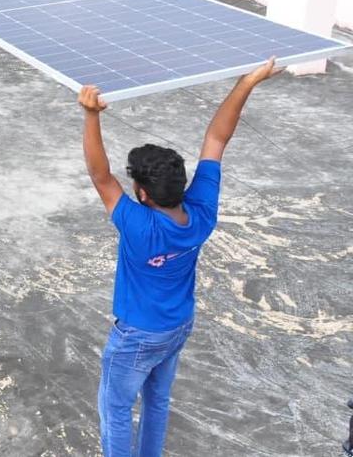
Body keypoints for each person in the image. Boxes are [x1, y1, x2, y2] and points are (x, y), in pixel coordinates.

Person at [78, 58, 280, 456]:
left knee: (116, 409)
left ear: (141, 194)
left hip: (136, 335)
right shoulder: (200, 212)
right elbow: (217, 140)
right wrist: (247, 83)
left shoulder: (140, 226)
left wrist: (90, 115)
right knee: (157, 401)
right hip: (176, 327)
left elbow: (100, 176)